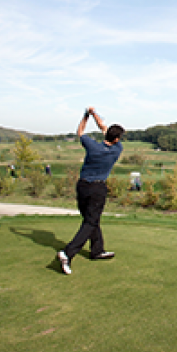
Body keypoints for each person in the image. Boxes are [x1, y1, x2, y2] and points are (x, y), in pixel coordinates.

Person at [57, 107, 125, 275]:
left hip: (82, 186)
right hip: (97, 188)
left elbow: (80, 131)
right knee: (90, 222)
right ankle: (68, 253)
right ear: (116, 139)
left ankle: (97, 250)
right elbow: (104, 128)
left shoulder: (92, 146)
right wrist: (96, 117)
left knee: (91, 219)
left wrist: (88, 115)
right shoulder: (117, 149)